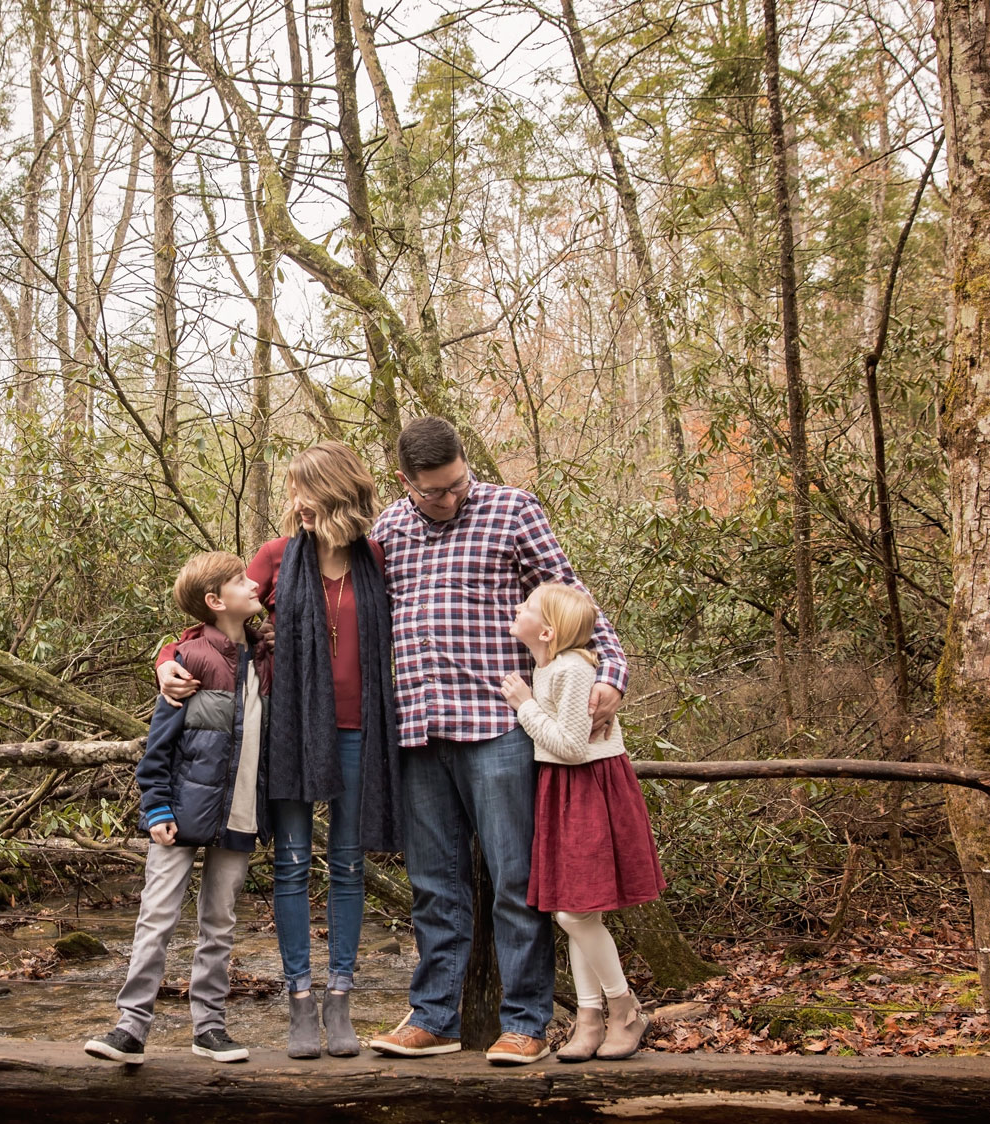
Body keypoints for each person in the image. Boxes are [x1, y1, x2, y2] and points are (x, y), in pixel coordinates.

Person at [362, 416, 629, 1064]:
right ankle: (433, 1017)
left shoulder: (512, 511)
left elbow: (575, 601)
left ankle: (526, 1022)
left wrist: (613, 673)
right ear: (406, 483)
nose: (451, 498)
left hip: (501, 728)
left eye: (457, 484)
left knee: (516, 878)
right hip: (419, 730)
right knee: (434, 882)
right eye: (435, 491)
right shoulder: (389, 531)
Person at [160, 442, 400, 1058]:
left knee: (347, 864)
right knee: (292, 865)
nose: (297, 503)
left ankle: (340, 997)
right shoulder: (273, 557)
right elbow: (217, 621)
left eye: (306, 491)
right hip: (290, 733)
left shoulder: (378, 558)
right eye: (295, 491)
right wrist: (166, 660)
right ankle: (299, 1000)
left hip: (361, 731)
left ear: (339, 493)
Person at [85, 552, 265, 1066]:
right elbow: (157, 746)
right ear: (214, 600)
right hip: (180, 815)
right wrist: (157, 807)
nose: (253, 583)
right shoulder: (189, 662)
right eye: (240, 580)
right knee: (157, 915)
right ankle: (130, 1027)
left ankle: (209, 1028)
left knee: (220, 921)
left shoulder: (263, 656)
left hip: (241, 813)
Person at [499, 581, 665, 1061]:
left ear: (547, 631)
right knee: (573, 911)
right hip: (562, 790)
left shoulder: (570, 669)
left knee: (573, 912)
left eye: (527, 606)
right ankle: (589, 1019)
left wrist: (524, 705)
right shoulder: (548, 664)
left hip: (586, 787)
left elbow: (572, 746)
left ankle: (623, 1007)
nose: (518, 606)